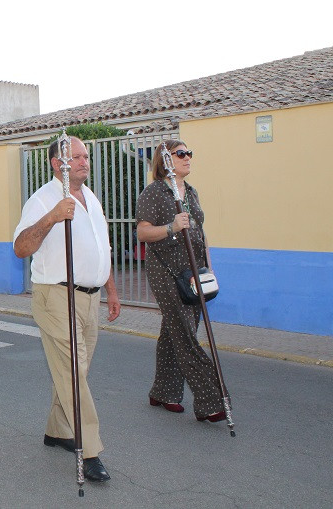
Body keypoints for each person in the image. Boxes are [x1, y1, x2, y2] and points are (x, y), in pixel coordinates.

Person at [13, 136, 121, 483]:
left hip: (90, 298)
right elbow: (20, 247)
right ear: (56, 163)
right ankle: (89, 450)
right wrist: (53, 217)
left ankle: (57, 429)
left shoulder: (91, 198)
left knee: (77, 369)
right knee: (73, 369)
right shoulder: (43, 199)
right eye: (75, 156)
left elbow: (102, 246)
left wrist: (112, 289)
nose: (83, 161)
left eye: (85, 156)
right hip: (57, 295)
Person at [135, 140, 226, 423]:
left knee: (173, 331)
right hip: (167, 271)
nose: (188, 158)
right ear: (166, 160)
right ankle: (212, 401)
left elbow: (201, 230)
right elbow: (142, 233)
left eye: (190, 153)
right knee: (186, 334)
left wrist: (209, 267)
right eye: (181, 154)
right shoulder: (154, 193)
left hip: (194, 272)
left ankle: (163, 392)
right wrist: (172, 227)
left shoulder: (192, 192)